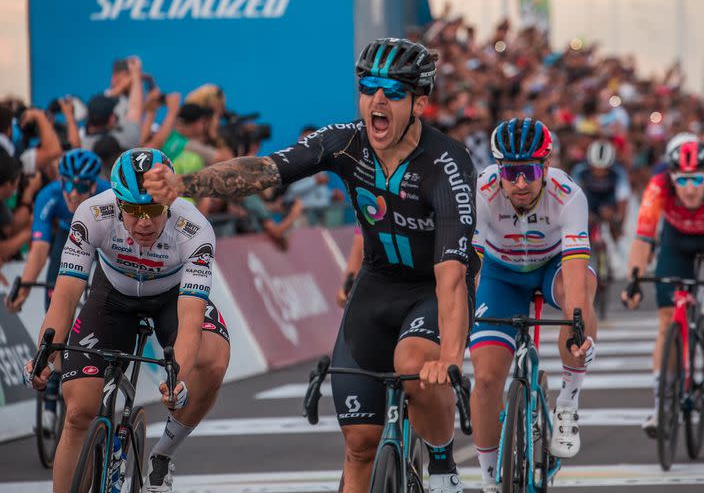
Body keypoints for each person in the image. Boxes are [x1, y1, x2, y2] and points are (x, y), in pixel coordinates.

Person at [144, 37, 479, 493]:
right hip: (377, 285)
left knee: (415, 362)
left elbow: (453, 274)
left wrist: (452, 359)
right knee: (360, 443)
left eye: (394, 91)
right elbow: (264, 170)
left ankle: (442, 462)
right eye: (368, 87)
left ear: (419, 102)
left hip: (432, 288)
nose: (377, 100)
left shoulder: (447, 162)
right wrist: (184, 182)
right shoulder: (345, 143)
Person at [24, 148, 231, 493]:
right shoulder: (92, 214)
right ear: (118, 204)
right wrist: (44, 354)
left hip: (172, 297)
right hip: (112, 296)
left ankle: (162, 455)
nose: (144, 222)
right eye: (133, 211)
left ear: (169, 199)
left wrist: (176, 377)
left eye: (152, 210)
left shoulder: (194, 230)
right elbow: (66, 296)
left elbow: (191, 319)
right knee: (78, 413)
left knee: (212, 361)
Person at [469, 118, 598, 492]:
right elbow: (470, 267)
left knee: (584, 290)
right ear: (498, 169)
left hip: (552, 268)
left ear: (544, 167)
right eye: (510, 171)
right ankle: (491, 478)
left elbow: (575, 271)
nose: (520, 182)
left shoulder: (568, 194)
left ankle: (568, 403)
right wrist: (462, 316)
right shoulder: (481, 191)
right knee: (488, 378)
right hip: (500, 274)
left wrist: (576, 325)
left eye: (528, 171)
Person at [622, 139, 704, 434]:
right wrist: (633, 282)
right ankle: (661, 408)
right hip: (677, 241)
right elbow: (643, 237)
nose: (689, 188)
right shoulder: (658, 186)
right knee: (666, 323)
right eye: (682, 180)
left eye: (697, 179)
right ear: (671, 177)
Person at [6, 149, 109, 313]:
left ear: (93, 185)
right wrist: (23, 291)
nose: (74, 194)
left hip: (101, 236)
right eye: (68, 184)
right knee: (54, 292)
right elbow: (39, 250)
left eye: (81, 186)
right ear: (61, 182)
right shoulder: (48, 196)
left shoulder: (108, 195)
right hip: (67, 232)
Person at [570, 139, 631, 241]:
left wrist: (618, 223)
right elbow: (571, 197)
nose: (599, 172)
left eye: (603, 169)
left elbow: (623, 201)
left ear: (610, 165)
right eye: (596, 168)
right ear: (589, 164)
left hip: (609, 202)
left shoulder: (619, 172)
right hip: (588, 201)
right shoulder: (579, 170)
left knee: (616, 230)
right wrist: (580, 215)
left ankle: (615, 248)